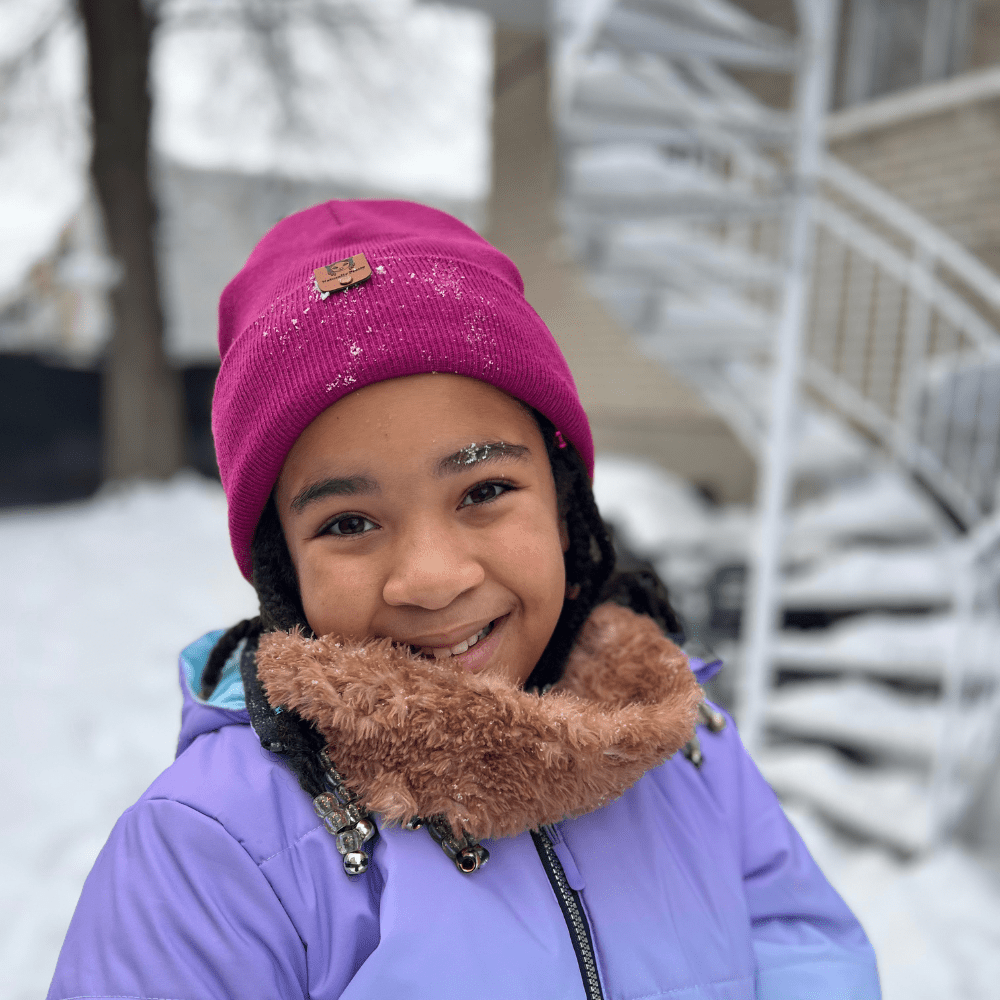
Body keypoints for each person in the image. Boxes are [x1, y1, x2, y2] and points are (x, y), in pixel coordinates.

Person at [48, 201, 880, 999]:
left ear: (562, 503)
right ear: (282, 564)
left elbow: (801, 947)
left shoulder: (681, 740)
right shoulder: (208, 849)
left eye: (483, 490)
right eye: (348, 521)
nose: (434, 577)